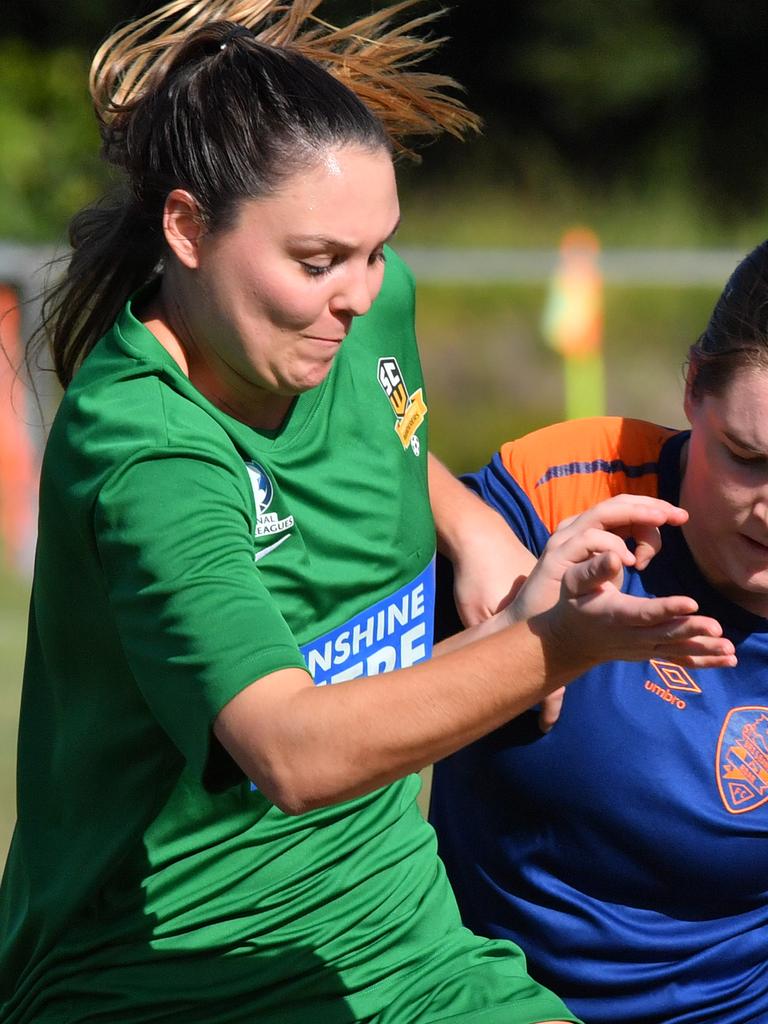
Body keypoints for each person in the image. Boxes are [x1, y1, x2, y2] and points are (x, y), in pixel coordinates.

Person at [0, 3, 734, 1022]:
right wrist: (549, 644)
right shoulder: (149, 456)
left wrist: (474, 532)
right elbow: (293, 755)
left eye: (376, 250)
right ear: (186, 229)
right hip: (169, 979)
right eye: (317, 261)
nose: (356, 292)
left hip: (400, 940)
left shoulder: (362, 317)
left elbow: (390, 437)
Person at [430, 239, 768, 1024]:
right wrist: (483, 558)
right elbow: (332, 719)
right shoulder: (567, 492)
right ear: (692, 390)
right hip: (491, 1000)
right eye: (748, 457)